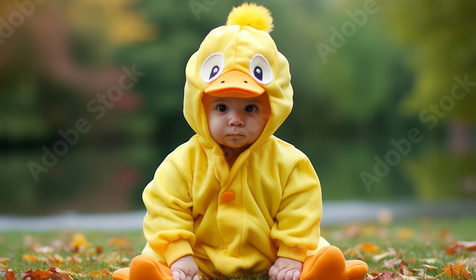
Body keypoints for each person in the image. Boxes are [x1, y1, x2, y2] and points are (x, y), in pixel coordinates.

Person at [113, 3, 368, 280]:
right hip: (198, 257)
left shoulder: (290, 163)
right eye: (222, 108)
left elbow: (301, 209)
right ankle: (157, 273)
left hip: (271, 256)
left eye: (250, 108)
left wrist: (290, 255)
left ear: (271, 109)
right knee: (156, 254)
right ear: (201, 107)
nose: (235, 120)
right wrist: (180, 254)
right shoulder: (182, 162)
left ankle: (316, 270)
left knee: (313, 249)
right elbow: (165, 207)